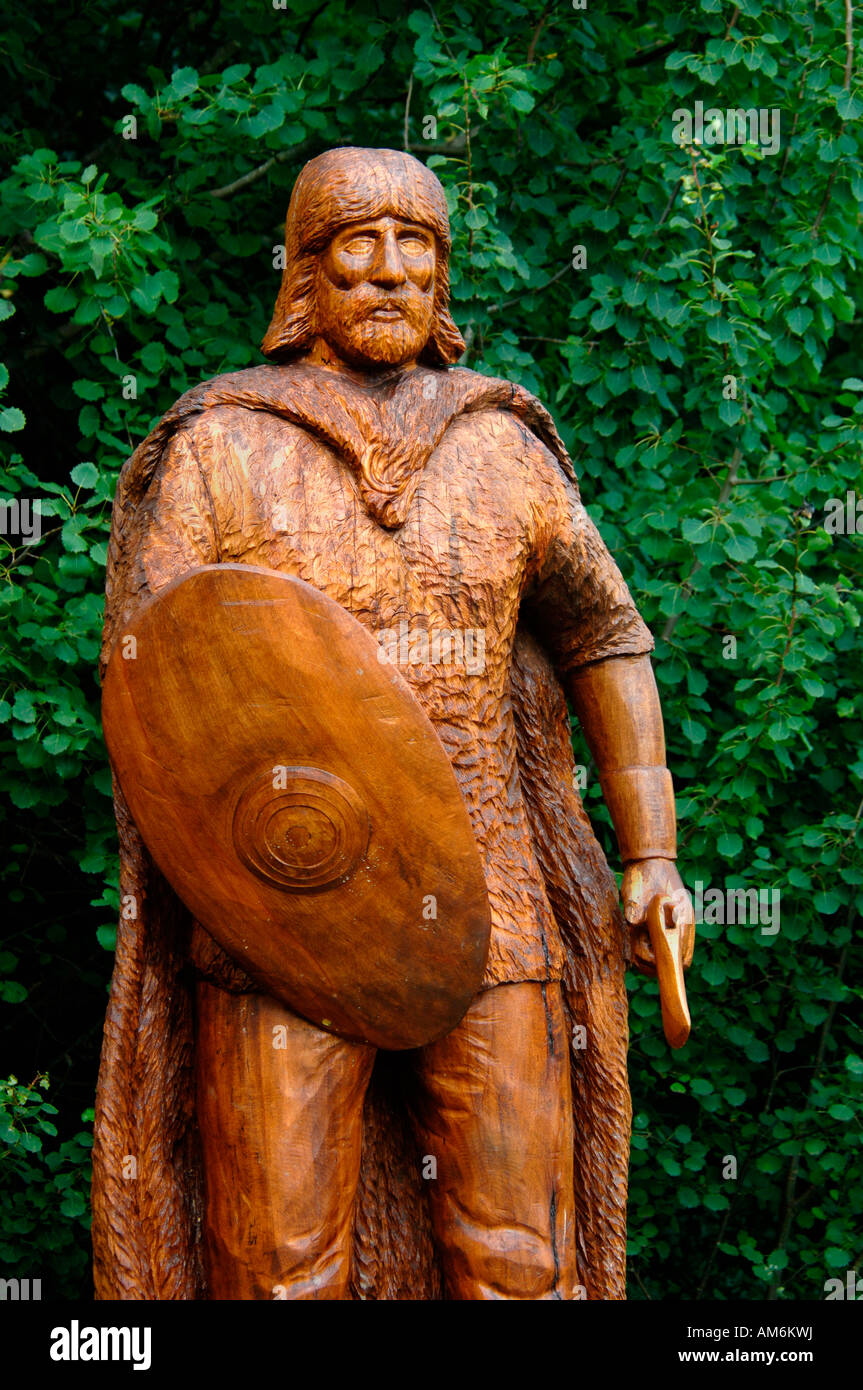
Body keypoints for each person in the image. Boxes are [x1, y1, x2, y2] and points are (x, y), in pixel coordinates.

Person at [92, 146, 694, 1301]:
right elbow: (152, 674)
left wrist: (651, 852)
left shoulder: (501, 449)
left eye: (415, 245)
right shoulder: (222, 446)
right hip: (284, 912)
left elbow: (604, 637)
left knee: (520, 1254)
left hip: (495, 914)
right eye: (354, 243)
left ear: (442, 276)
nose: (387, 272)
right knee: (276, 1268)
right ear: (305, 272)